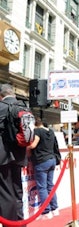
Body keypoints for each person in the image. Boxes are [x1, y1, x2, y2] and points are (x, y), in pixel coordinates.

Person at [0, 84, 27, 226]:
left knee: (5, 193)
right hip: (19, 156)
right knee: (17, 192)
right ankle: (20, 222)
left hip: (2, 157)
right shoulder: (23, 107)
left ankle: (9, 224)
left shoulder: (1, 107)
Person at [27, 116, 61, 220]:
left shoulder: (37, 131)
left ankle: (46, 211)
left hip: (41, 161)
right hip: (51, 159)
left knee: (42, 187)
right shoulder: (50, 131)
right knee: (50, 185)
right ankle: (55, 208)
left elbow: (33, 145)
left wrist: (26, 148)